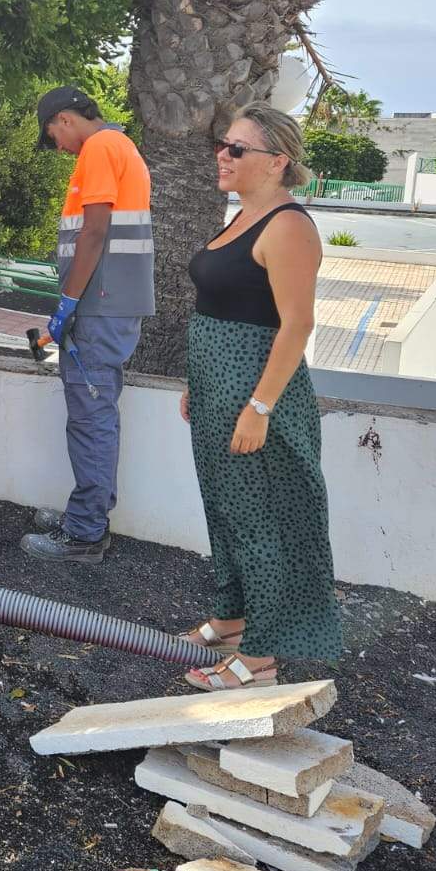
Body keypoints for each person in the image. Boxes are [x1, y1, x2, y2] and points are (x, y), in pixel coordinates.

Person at [180, 103, 340, 690]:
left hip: (258, 400)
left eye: (237, 149)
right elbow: (218, 308)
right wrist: (198, 385)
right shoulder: (240, 218)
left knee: (263, 523)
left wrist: (260, 408)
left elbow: (296, 325)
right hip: (219, 394)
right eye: (223, 145)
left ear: (277, 161)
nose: (222, 155)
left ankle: (263, 659)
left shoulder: (289, 226)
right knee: (224, 513)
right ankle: (231, 620)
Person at [20, 85, 155, 564]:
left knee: (92, 416)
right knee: (91, 413)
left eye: (51, 132)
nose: (56, 144)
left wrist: (67, 304)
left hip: (100, 305)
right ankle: (85, 516)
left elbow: (95, 230)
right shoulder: (119, 147)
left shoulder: (101, 148)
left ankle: (85, 534)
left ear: (64, 117)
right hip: (107, 304)